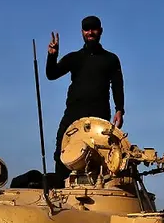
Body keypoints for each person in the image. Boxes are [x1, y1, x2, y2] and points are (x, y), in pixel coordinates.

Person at [46, 15, 125, 178]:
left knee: (99, 156)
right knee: (63, 152)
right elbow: (51, 74)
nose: (90, 32)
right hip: (73, 115)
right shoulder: (75, 57)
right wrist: (52, 55)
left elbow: (117, 84)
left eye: (94, 29)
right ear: (82, 32)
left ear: (100, 31)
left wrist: (120, 109)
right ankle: (61, 192)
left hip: (99, 116)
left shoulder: (110, 59)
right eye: (87, 29)